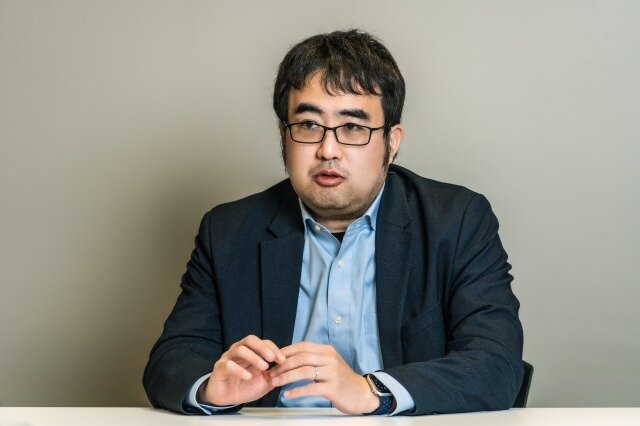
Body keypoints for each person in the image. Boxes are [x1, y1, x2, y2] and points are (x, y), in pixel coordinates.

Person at [143, 29, 523, 416]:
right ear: (283, 135)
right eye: (308, 125)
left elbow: (496, 364)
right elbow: (171, 362)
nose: (328, 150)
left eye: (353, 127)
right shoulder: (228, 231)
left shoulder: (456, 222)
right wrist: (212, 387)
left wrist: (372, 390)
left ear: (392, 142)